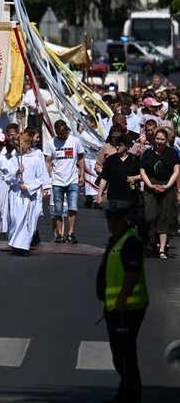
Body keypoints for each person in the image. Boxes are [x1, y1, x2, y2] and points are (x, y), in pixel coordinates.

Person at [97, 200, 149, 403]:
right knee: (121, 354)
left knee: (124, 355)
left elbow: (132, 272)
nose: (113, 224)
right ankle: (126, 393)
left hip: (127, 308)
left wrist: (121, 300)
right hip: (116, 308)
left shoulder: (130, 241)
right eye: (110, 220)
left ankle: (130, 396)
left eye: (117, 220)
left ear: (127, 220)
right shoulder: (117, 240)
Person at [1, 133, 45, 256]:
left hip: (29, 195)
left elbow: (40, 178)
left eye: (21, 144)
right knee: (15, 219)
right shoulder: (14, 160)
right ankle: (15, 243)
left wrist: (29, 187)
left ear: (28, 144)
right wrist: (16, 173)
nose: (18, 147)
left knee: (27, 220)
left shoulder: (36, 159)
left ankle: (24, 246)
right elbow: (6, 178)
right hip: (16, 194)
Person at [139, 127, 179, 259]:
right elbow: (143, 170)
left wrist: (167, 186)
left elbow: (176, 171)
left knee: (164, 218)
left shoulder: (173, 153)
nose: (159, 141)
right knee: (150, 215)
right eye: (157, 139)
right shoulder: (147, 153)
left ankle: (162, 248)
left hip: (167, 184)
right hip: (151, 185)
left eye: (162, 139)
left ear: (166, 140)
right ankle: (152, 240)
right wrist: (149, 185)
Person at [44, 119, 85, 244]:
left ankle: (71, 233)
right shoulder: (51, 143)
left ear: (66, 129)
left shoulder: (75, 141)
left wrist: (82, 174)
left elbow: (81, 157)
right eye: (58, 134)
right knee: (58, 209)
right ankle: (59, 234)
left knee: (72, 207)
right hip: (57, 180)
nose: (60, 136)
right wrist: (47, 178)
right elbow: (47, 161)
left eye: (62, 133)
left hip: (72, 178)